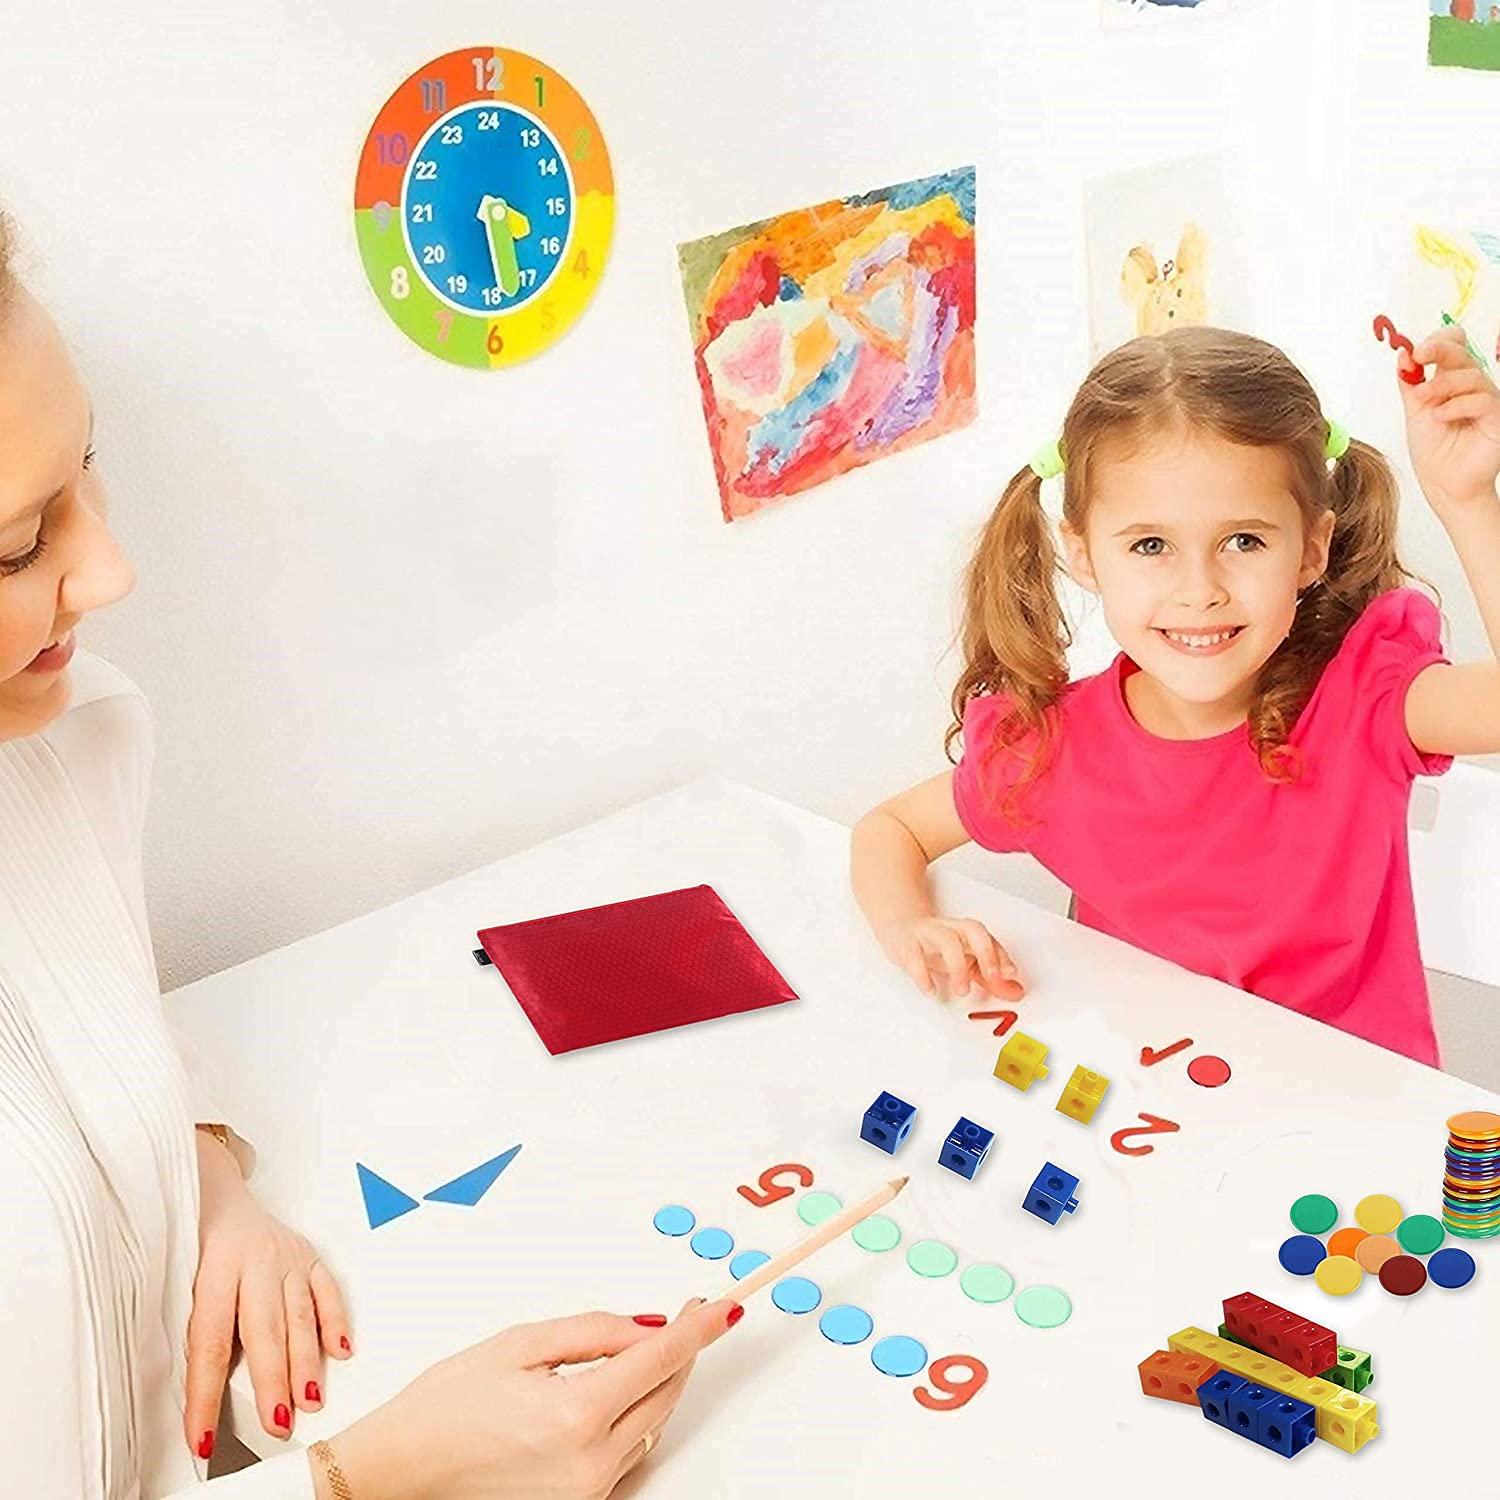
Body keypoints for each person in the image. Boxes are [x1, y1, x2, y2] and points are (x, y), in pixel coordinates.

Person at [0, 208, 742, 1500]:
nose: (111, 570)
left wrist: (199, 1184)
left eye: (89, 466)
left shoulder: (72, 735)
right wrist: (381, 1472)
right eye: (19, 541)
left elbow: (86, 1038)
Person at [852, 323, 1500, 1067]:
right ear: (1083, 553)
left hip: (1360, 1110)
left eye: (1244, 541)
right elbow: (890, 830)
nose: (1200, 590)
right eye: (1151, 545)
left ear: (1311, 548)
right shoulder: (1049, 749)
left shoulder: (1366, 703)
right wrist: (910, 924)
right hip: (1153, 1107)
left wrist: (1467, 501)